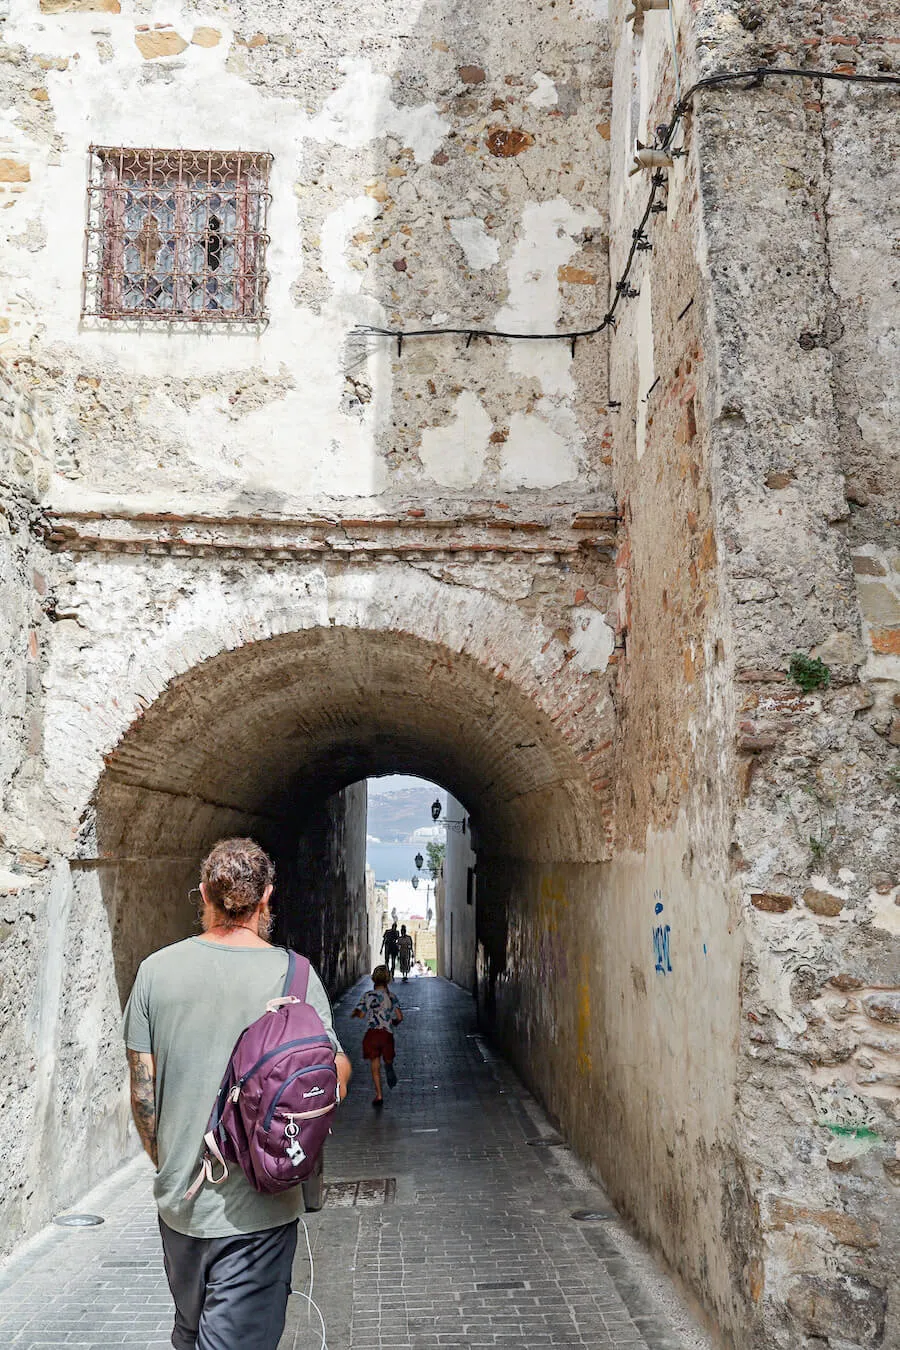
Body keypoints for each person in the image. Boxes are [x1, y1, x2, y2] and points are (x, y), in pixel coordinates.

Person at [122, 837, 352, 1350]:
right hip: (260, 1208)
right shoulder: (295, 974)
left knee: (190, 1330)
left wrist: (169, 1158)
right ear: (267, 897)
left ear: (203, 893)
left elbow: (143, 1093)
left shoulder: (155, 972)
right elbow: (332, 1076)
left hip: (179, 1206)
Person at [352, 965, 402, 1108]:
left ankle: (379, 1095)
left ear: (374, 978)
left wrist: (356, 1013)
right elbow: (400, 1016)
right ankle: (389, 1062)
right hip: (387, 1034)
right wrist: (393, 1023)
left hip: (372, 1034)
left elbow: (361, 1014)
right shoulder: (392, 997)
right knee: (388, 1056)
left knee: (374, 1066)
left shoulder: (368, 995)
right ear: (388, 979)